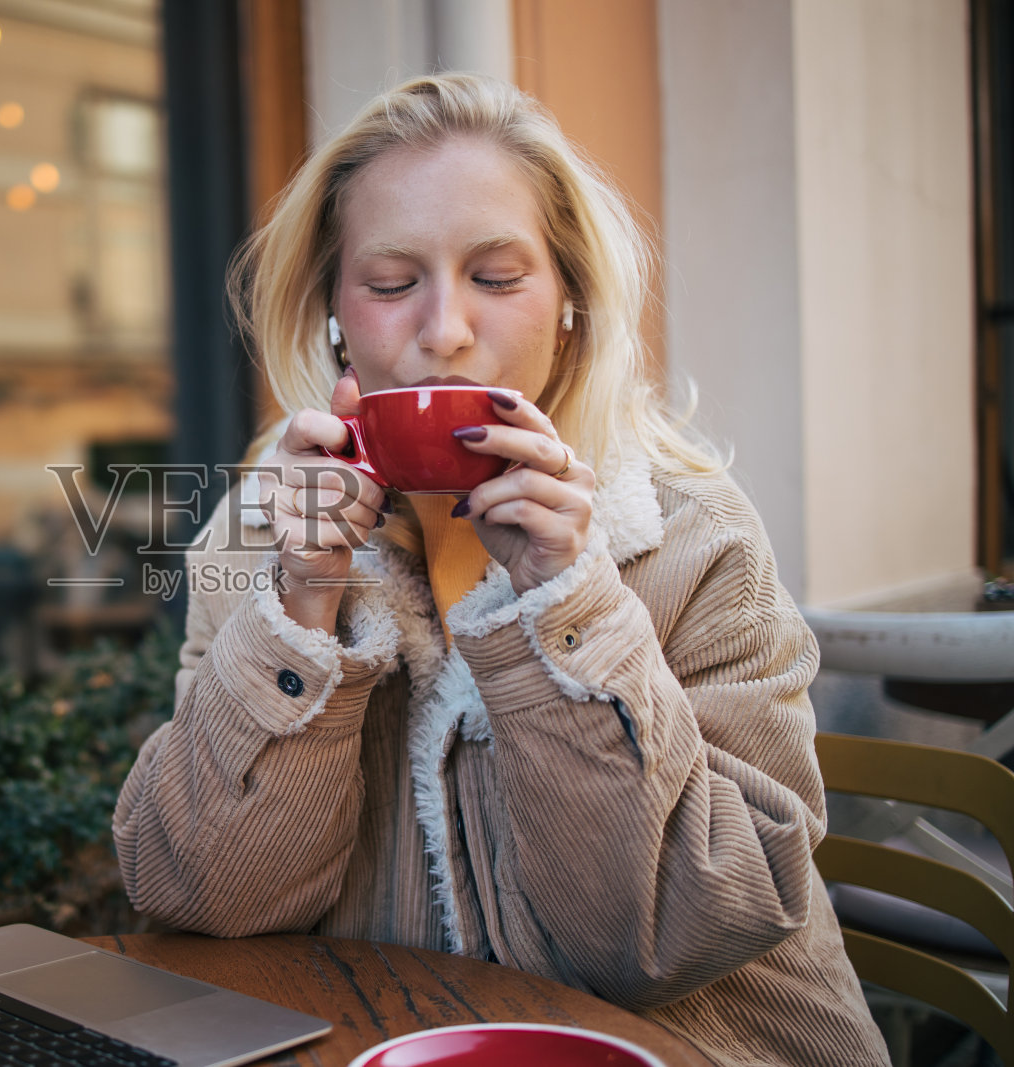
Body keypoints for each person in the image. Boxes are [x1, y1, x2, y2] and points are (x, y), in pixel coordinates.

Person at [112, 74, 889, 1066]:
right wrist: (299, 605)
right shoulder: (262, 528)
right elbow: (202, 896)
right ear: (333, 314)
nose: (443, 329)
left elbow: (680, 932)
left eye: (496, 275)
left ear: (569, 298)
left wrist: (570, 602)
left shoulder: (692, 536)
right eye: (392, 283)